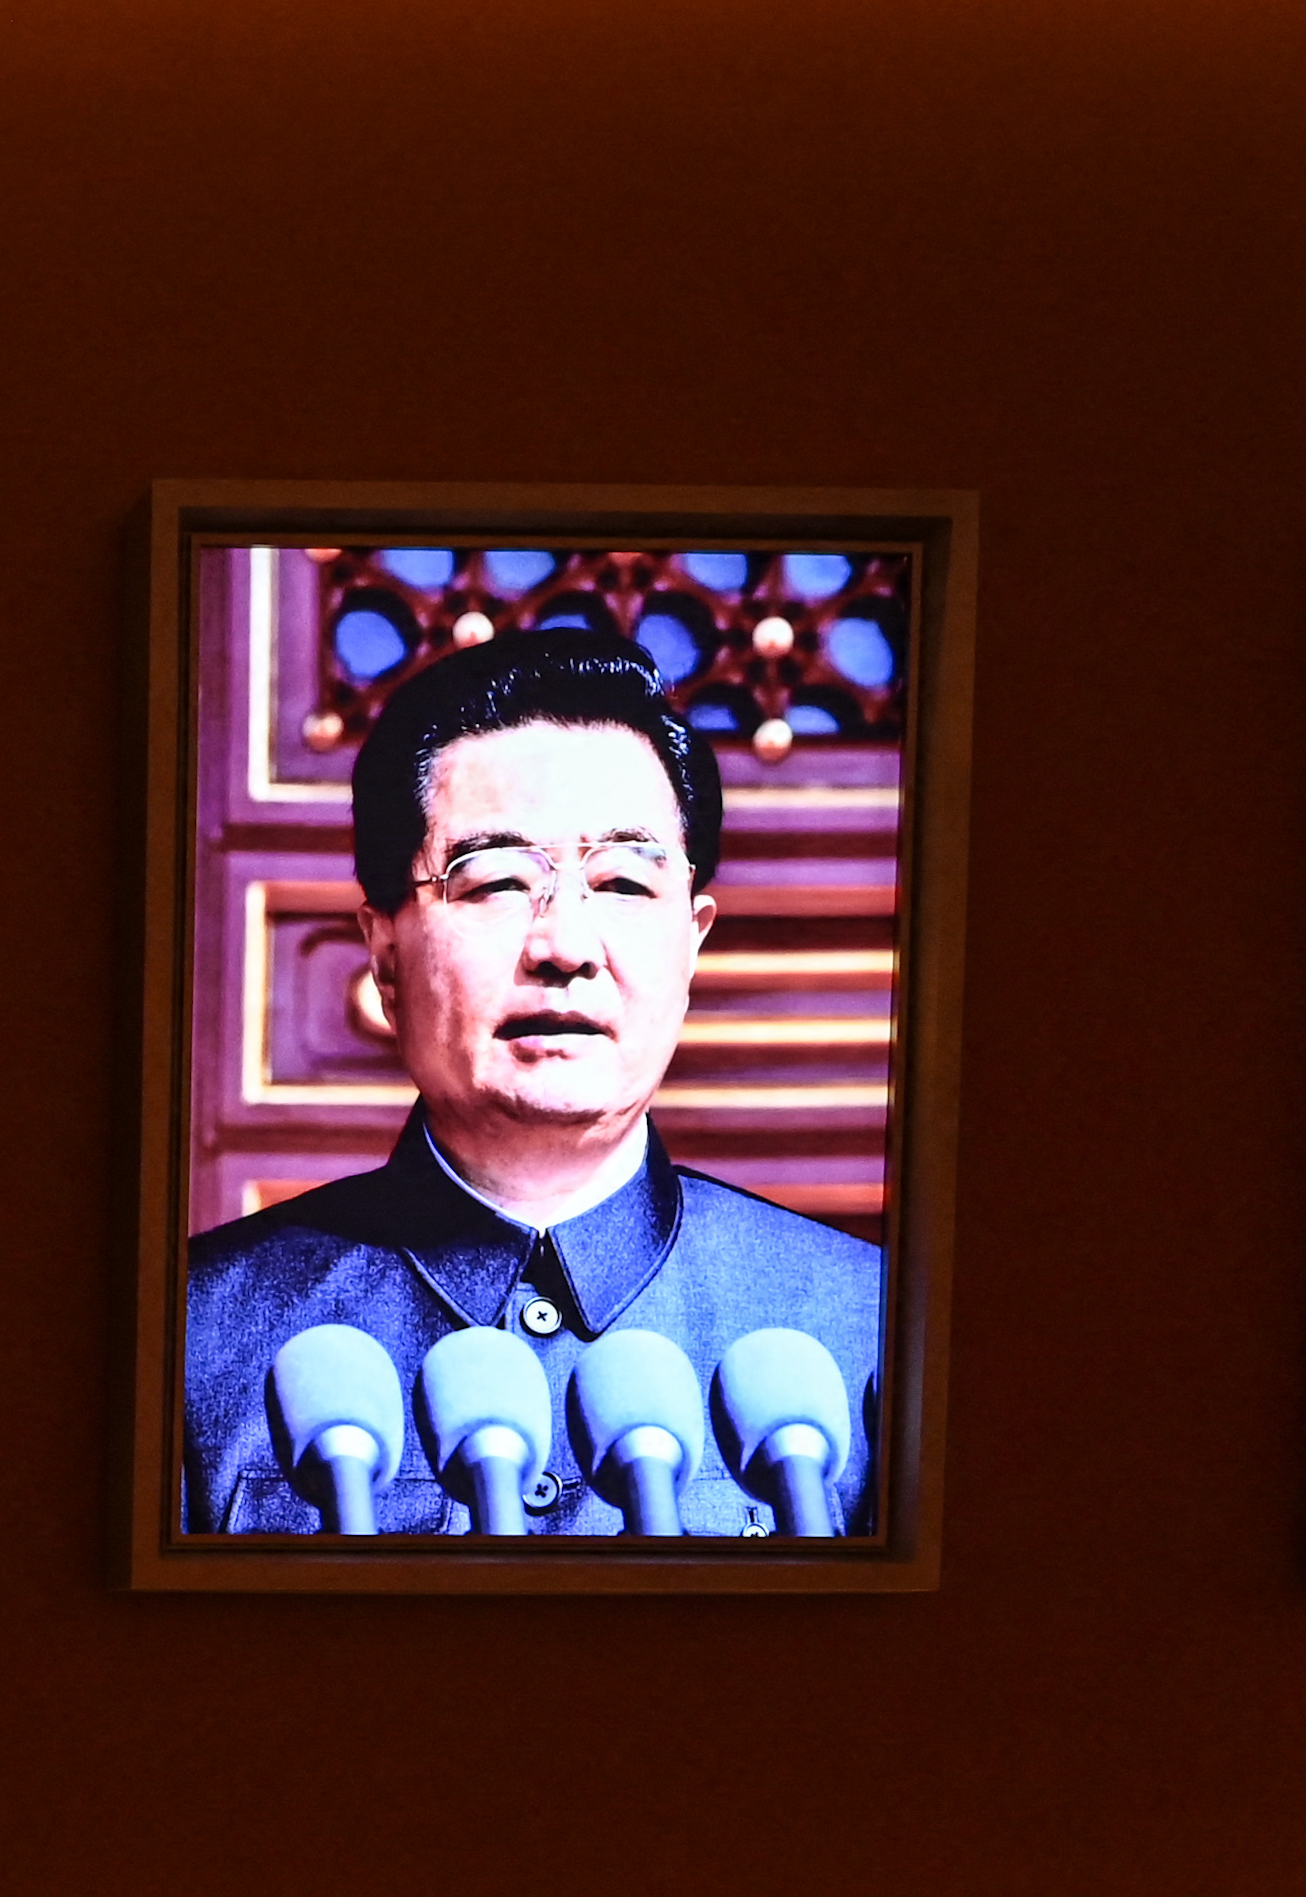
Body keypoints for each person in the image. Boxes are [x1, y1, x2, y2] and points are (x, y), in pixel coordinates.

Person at [172, 628, 884, 1537]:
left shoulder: (864, 1326)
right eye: (498, 882)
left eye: (623, 882)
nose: (564, 947)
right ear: (384, 955)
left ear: (693, 940)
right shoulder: (192, 1336)